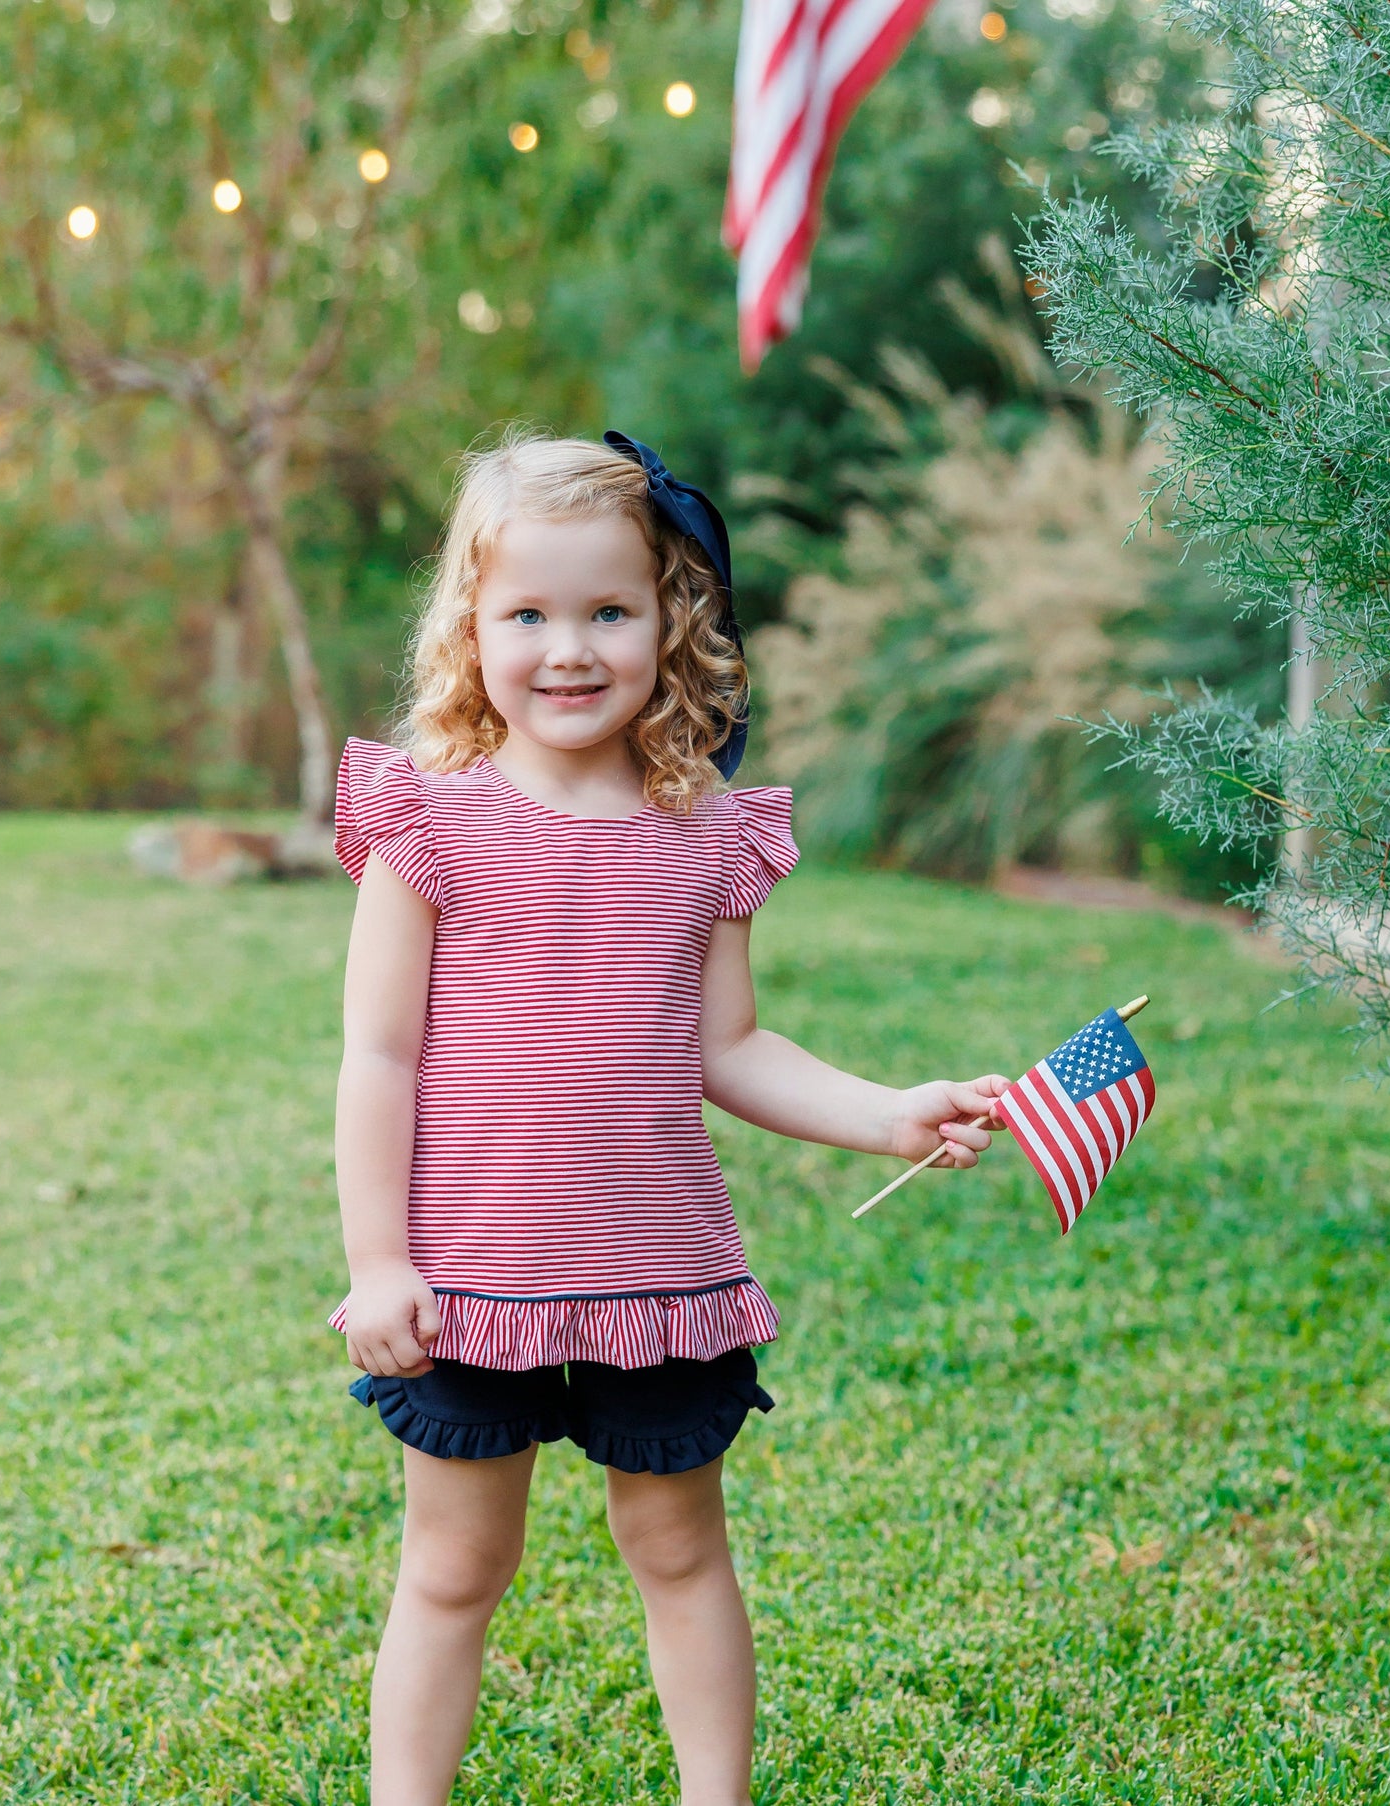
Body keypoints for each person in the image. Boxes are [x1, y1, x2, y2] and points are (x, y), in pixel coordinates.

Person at [328, 427, 1010, 1806]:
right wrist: (378, 1260)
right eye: (526, 612)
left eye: (607, 611)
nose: (566, 648)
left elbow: (731, 1044)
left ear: (670, 619)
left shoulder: (701, 827)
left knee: (681, 1549)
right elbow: (378, 1055)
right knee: (453, 1566)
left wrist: (887, 1113)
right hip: (469, 1273)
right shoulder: (431, 820)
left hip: (661, 1271)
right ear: (472, 623)